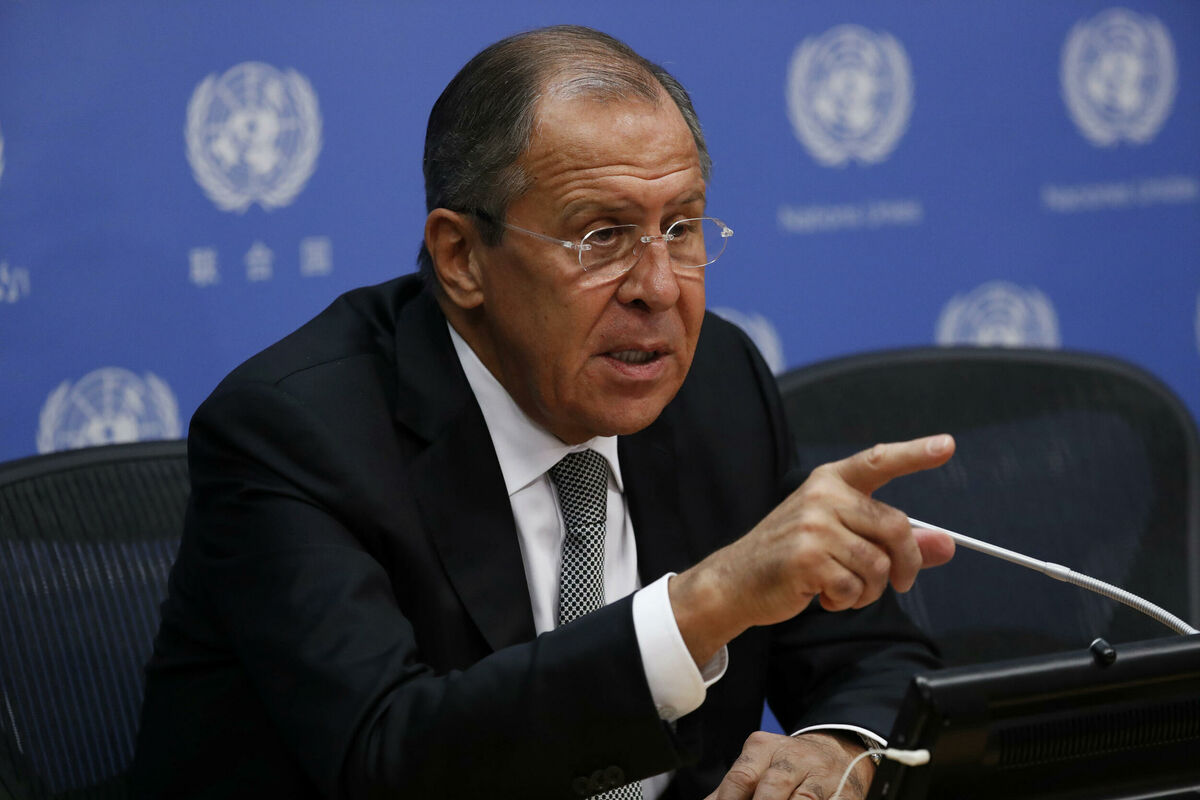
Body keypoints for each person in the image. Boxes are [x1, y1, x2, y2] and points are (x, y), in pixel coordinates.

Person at [132, 25, 956, 799]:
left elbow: (871, 657)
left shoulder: (715, 381)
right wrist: (704, 606)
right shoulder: (297, 433)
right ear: (461, 257)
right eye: (602, 236)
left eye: (680, 227)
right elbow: (388, 758)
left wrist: (838, 748)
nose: (659, 288)